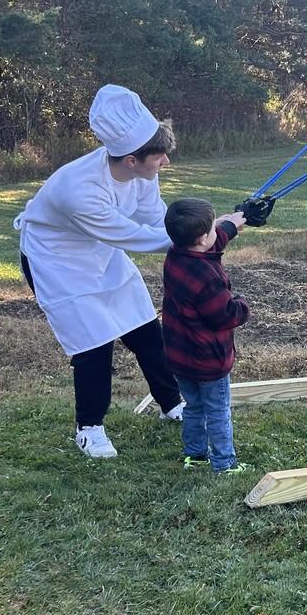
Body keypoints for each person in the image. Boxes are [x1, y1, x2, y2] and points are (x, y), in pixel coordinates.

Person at [15, 84, 186, 459]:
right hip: (55, 259)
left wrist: (201, 231)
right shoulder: (79, 190)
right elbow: (134, 236)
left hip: (97, 248)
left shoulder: (142, 174)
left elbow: (154, 218)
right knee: (93, 342)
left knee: (144, 328)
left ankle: (172, 403)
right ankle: (89, 428)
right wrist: (198, 238)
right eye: (159, 156)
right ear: (131, 160)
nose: (165, 163)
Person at [162, 198, 251, 474]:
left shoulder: (176, 255)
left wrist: (233, 223)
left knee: (193, 406)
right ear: (202, 238)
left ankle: (195, 455)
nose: (216, 232)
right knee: (218, 411)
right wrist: (242, 306)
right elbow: (224, 315)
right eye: (213, 227)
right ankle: (224, 463)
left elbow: (214, 241)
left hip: (181, 357)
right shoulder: (206, 278)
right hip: (209, 360)